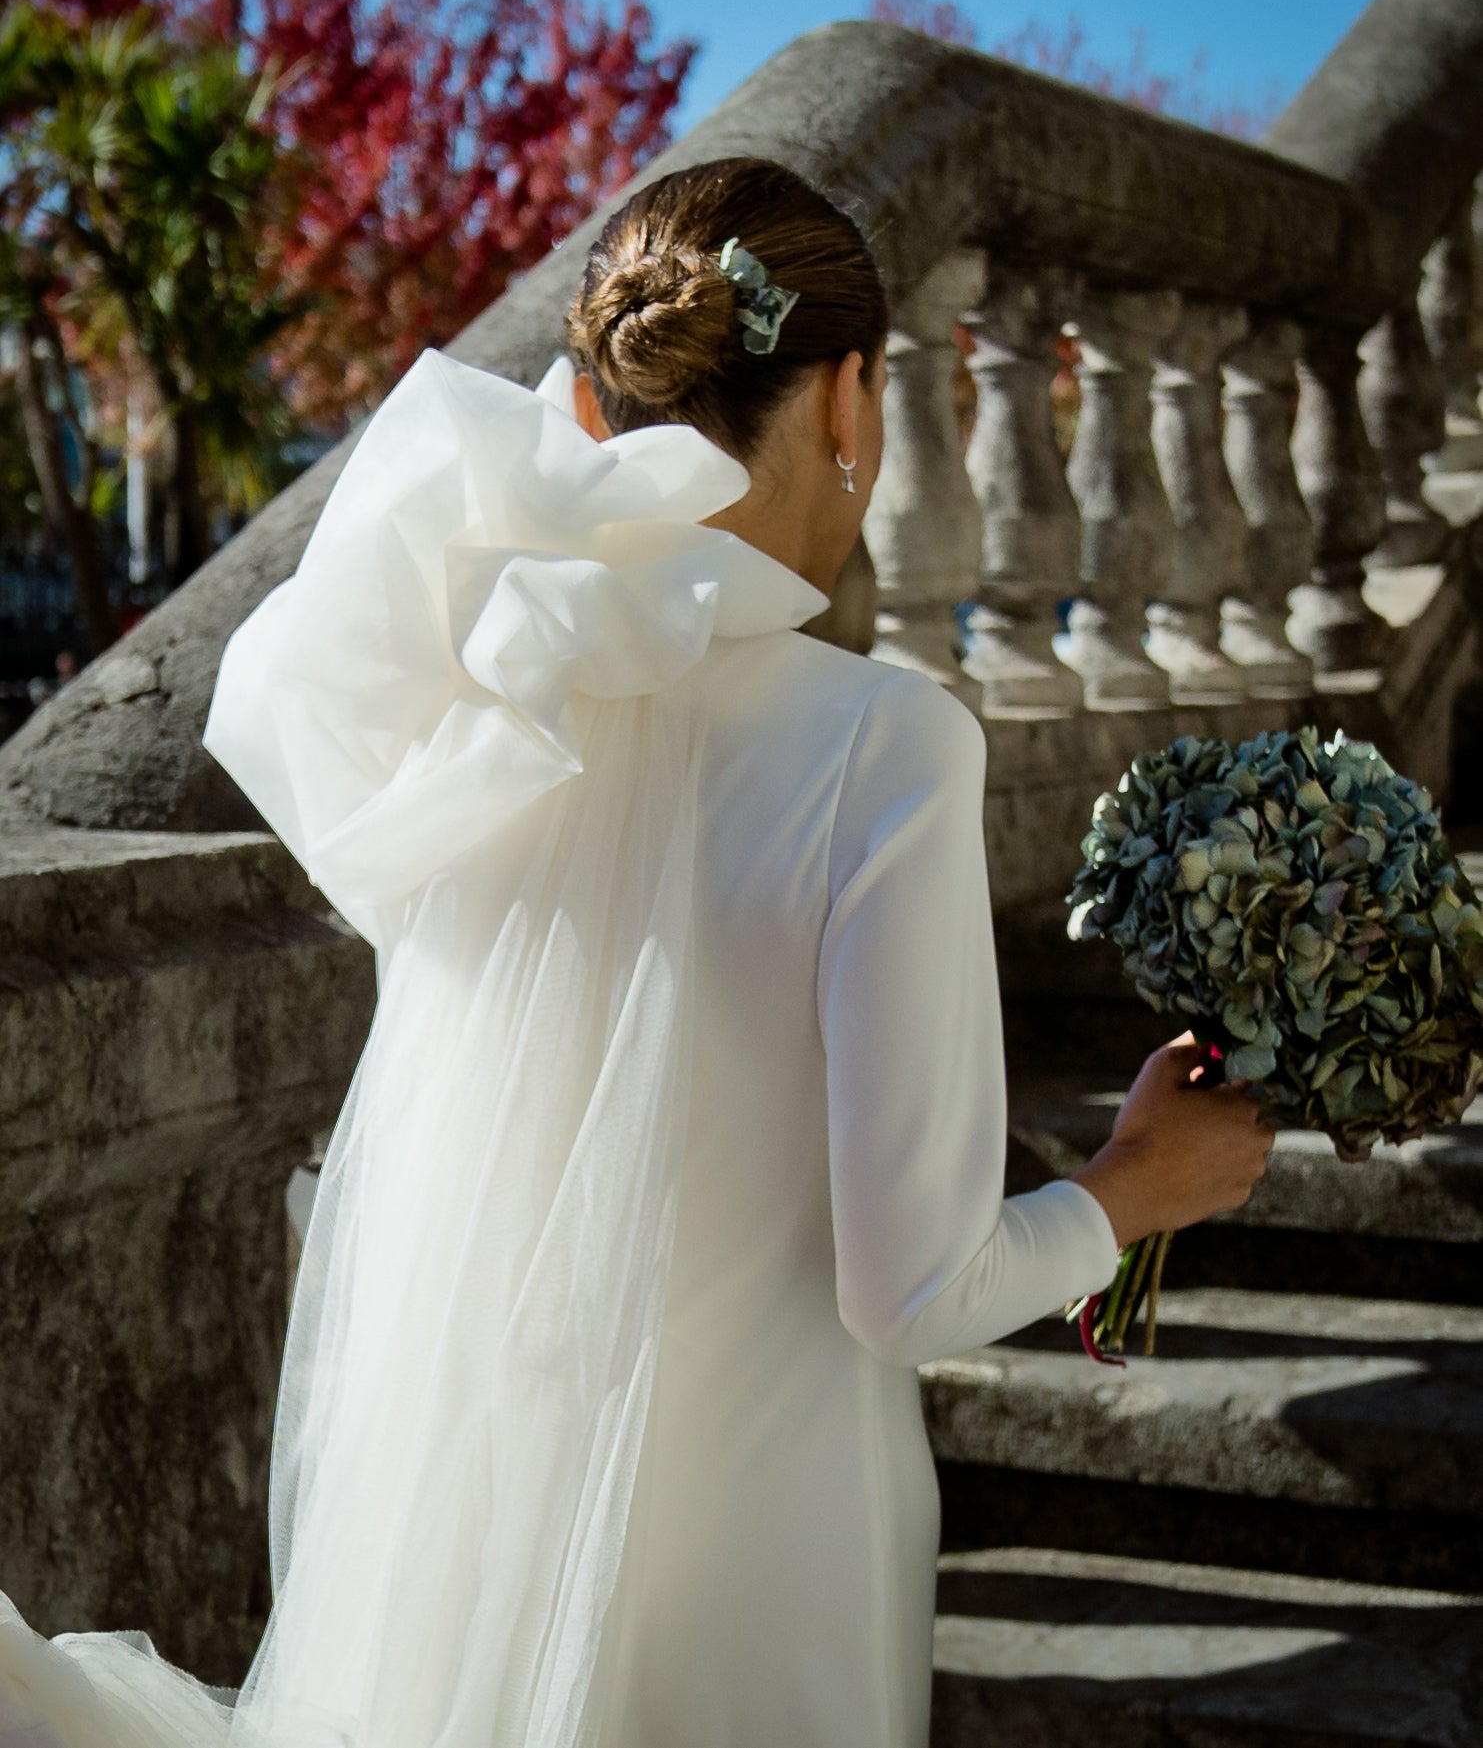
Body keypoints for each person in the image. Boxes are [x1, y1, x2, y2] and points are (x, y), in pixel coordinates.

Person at [0, 155, 1273, 1748]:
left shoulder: (496, 705)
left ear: (599, 406)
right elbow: (914, 1285)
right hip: (769, 1565)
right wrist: (1137, 1185)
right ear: (854, 402)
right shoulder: (889, 744)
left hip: (488, 1526)